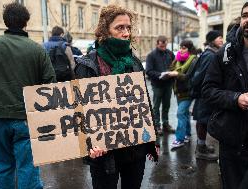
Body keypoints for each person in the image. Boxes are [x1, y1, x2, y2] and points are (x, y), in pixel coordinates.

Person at [0, 2, 56, 188]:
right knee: (28, 167)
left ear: (5, 22)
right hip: (27, 118)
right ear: (26, 23)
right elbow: (50, 85)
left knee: (3, 167)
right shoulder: (37, 50)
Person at [75, 5, 158, 189]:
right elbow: (79, 112)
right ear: (105, 31)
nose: (126, 33)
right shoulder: (88, 65)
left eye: (128, 28)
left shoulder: (134, 62)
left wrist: (153, 139)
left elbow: (145, 103)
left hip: (135, 151)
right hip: (105, 155)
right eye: (119, 28)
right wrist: (90, 144)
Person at [202, 1, 248, 188]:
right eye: (245, 15)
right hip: (235, 142)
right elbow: (207, 91)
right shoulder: (225, 54)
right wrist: (235, 98)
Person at [191, 30, 223, 161]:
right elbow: (200, 76)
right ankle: (201, 150)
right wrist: (201, 91)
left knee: (203, 120)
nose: (222, 40)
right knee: (203, 121)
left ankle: (202, 146)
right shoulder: (210, 55)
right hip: (205, 94)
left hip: (205, 94)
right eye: (219, 37)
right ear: (212, 40)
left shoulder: (211, 53)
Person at [146, 35, 176, 136]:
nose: (163, 47)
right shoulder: (151, 55)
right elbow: (148, 71)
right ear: (157, 44)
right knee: (156, 106)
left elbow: (175, 66)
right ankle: (157, 126)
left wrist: (171, 73)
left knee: (166, 105)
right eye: (161, 46)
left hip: (168, 84)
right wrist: (160, 75)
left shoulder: (170, 54)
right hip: (157, 85)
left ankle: (166, 124)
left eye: (165, 45)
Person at [170, 40, 197, 150]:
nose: (181, 50)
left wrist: (177, 74)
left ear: (189, 49)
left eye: (184, 48)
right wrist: (170, 73)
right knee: (184, 113)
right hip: (178, 91)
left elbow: (189, 76)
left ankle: (179, 139)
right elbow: (171, 68)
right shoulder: (177, 59)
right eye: (181, 47)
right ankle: (187, 134)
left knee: (180, 113)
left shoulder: (194, 59)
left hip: (188, 91)